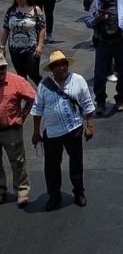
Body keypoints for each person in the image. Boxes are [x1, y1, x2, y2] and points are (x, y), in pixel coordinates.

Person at [31, 51, 96, 211]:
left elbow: (88, 104)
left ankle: (79, 192)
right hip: (52, 133)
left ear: (67, 65)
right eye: (56, 66)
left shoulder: (78, 80)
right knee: (52, 166)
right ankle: (54, 195)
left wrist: (89, 126)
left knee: (76, 163)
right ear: (52, 69)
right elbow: (37, 109)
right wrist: (35, 132)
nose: (61, 68)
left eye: (63, 64)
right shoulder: (44, 85)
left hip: (74, 129)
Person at [85, 0, 123, 115]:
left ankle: (120, 100)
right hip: (103, 43)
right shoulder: (97, 3)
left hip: (121, 42)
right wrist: (97, 20)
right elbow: (88, 22)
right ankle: (100, 102)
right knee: (100, 74)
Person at [0, 53, 36, 207]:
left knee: (18, 161)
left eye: (3, 68)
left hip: (11, 128)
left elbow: (32, 97)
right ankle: (1, 190)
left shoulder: (16, 81)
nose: (1, 72)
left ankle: (22, 190)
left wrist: (23, 116)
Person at [1, 0, 45, 84]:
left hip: (31, 48)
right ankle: (25, 96)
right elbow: (6, 28)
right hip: (14, 49)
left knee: (34, 74)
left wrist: (40, 45)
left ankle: (45, 93)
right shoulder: (11, 10)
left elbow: (41, 28)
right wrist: (2, 46)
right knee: (21, 76)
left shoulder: (35, 10)